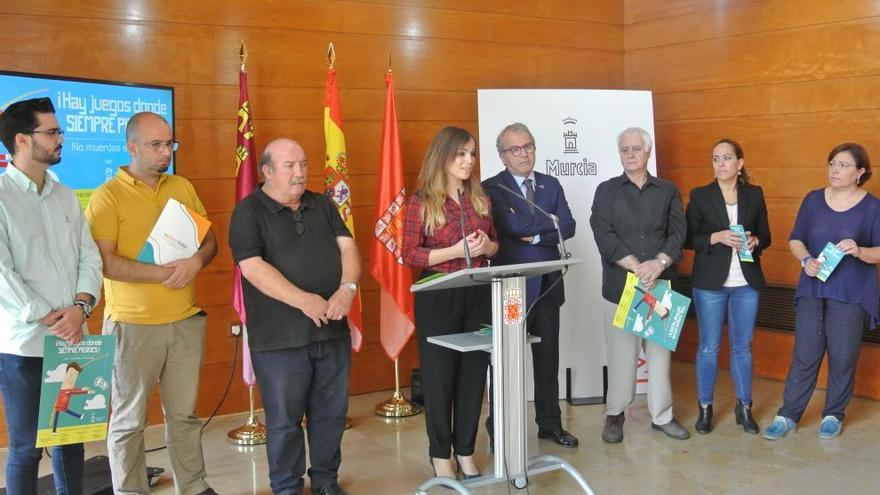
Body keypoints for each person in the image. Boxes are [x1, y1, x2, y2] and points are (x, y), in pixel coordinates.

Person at [85, 112, 218, 495]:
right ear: (132, 147)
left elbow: (208, 240)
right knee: (128, 421)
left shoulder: (182, 185)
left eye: (169, 144)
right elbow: (104, 262)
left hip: (185, 321)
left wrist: (195, 261)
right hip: (133, 324)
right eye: (156, 145)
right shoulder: (108, 195)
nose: (166, 153)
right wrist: (163, 274)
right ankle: (129, 490)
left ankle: (193, 486)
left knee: (184, 416)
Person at [229, 138, 359, 495]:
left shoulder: (323, 205)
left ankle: (325, 482)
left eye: (303, 164)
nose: (300, 172)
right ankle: (286, 488)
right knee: (285, 423)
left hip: (331, 332)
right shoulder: (248, 211)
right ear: (267, 171)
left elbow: (348, 247)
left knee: (330, 416)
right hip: (279, 341)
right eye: (290, 166)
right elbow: (252, 267)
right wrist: (304, 300)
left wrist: (346, 289)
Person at [0, 97, 103, 495]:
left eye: (60, 130)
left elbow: (88, 257)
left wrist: (79, 308)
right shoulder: (4, 196)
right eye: (53, 132)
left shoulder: (64, 195)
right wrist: (51, 317)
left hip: (73, 340)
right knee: (26, 448)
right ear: (23, 140)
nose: (61, 138)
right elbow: (3, 274)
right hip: (23, 347)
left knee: (70, 441)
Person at [764, 143, 880, 441]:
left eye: (843, 165)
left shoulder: (872, 206)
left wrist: (860, 250)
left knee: (843, 356)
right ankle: (788, 414)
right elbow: (795, 239)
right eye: (832, 164)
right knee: (805, 353)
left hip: (851, 292)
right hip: (813, 288)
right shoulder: (813, 200)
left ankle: (833, 414)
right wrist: (805, 261)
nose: (835, 170)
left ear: (861, 172)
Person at [402, 126, 498, 480]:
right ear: (443, 156)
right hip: (438, 294)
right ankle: (441, 453)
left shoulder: (480, 197)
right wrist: (456, 251)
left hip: (478, 292)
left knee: (474, 375)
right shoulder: (422, 200)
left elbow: (495, 244)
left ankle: (467, 449)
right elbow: (409, 253)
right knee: (441, 376)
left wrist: (487, 247)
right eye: (461, 154)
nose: (468, 161)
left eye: (472, 153)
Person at [589, 127, 689, 443]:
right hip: (621, 286)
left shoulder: (668, 190)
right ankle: (615, 416)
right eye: (624, 150)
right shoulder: (606, 190)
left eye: (636, 149)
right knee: (621, 357)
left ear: (648, 152)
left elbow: (678, 233)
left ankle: (662, 416)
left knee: (660, 357)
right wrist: (635, 266)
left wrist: (658, 263)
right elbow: (603, 233)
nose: (630, 154)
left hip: (661, 288)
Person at [482, 122, 578, 448]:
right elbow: (508, 223)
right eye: (515, 149)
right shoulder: (492, 187)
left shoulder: (551, 183)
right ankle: (499, 427)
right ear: (502, 155)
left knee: (548, 361)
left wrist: (536, 234)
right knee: (506, 364)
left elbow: (568, 225)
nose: (523, 154)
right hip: (512, 288)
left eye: (528, 146)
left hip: (549, 287)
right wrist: (546, 224)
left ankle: (549, 424)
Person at [685, 139, 771, 435]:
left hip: (746, 282)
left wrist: (756, 240)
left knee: (743, 347)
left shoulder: (755, 195)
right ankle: (705, 407)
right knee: (709, 347)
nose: (720, 163)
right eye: (715, 158)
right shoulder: (700, 196)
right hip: (710, 283)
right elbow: (688, 238)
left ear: (740, 163)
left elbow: (767, 235)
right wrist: (715, 237)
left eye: (726, 158)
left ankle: (744, 406)